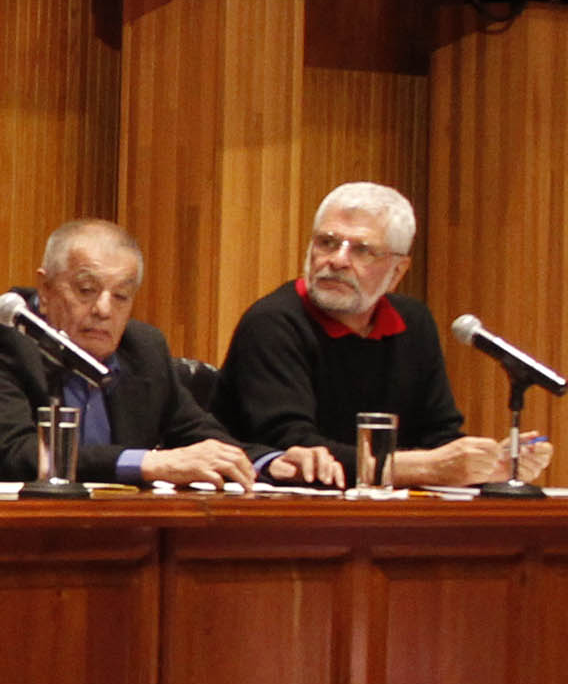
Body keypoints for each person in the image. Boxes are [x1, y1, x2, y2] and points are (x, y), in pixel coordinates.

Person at [215, 183, 547, 488]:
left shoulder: (412, 322)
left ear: (398, 271)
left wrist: (489, 465)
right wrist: (427, 468)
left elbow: (438, 436)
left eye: (362, 250)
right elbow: (295, 449)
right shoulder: (273, 322)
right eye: (327, 242)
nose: (337, 260)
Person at [0, 220, 276, 486]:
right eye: (86, 290)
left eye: (121, 296)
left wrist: (271, 463)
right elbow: (14, 455)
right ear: (45, 289)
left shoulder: (143, 348)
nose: (103, 310)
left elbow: (200, 435)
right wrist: (147, 463)